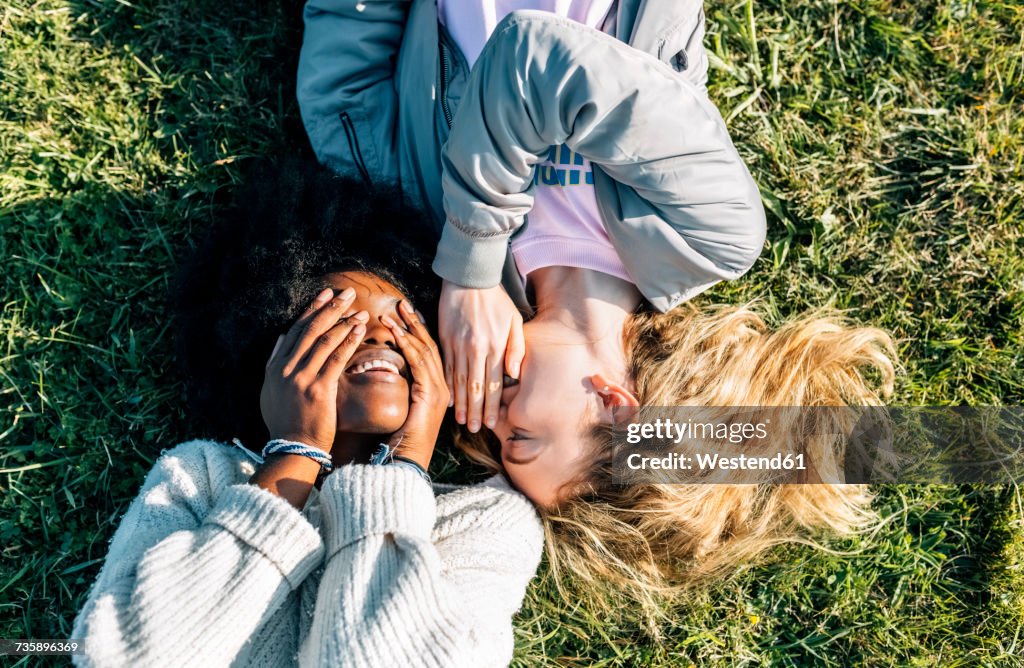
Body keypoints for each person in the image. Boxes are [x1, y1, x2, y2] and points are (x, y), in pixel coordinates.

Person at [297, 0, 898, 623]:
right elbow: (528, 56)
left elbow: (343, 90)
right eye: (521, 438)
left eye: (497, 444)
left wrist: (454, 261)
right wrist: (473, 265)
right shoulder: (710, 235)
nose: (487, 419)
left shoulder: (421, 233)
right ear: (614, 403)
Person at [70, 162, 544, 667]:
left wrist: (403, 472)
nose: (382, 334)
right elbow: (120, 656)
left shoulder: (486, 524)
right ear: (271, 356)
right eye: (339, 321)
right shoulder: (197, 478)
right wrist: (297, 453)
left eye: (407, 321)